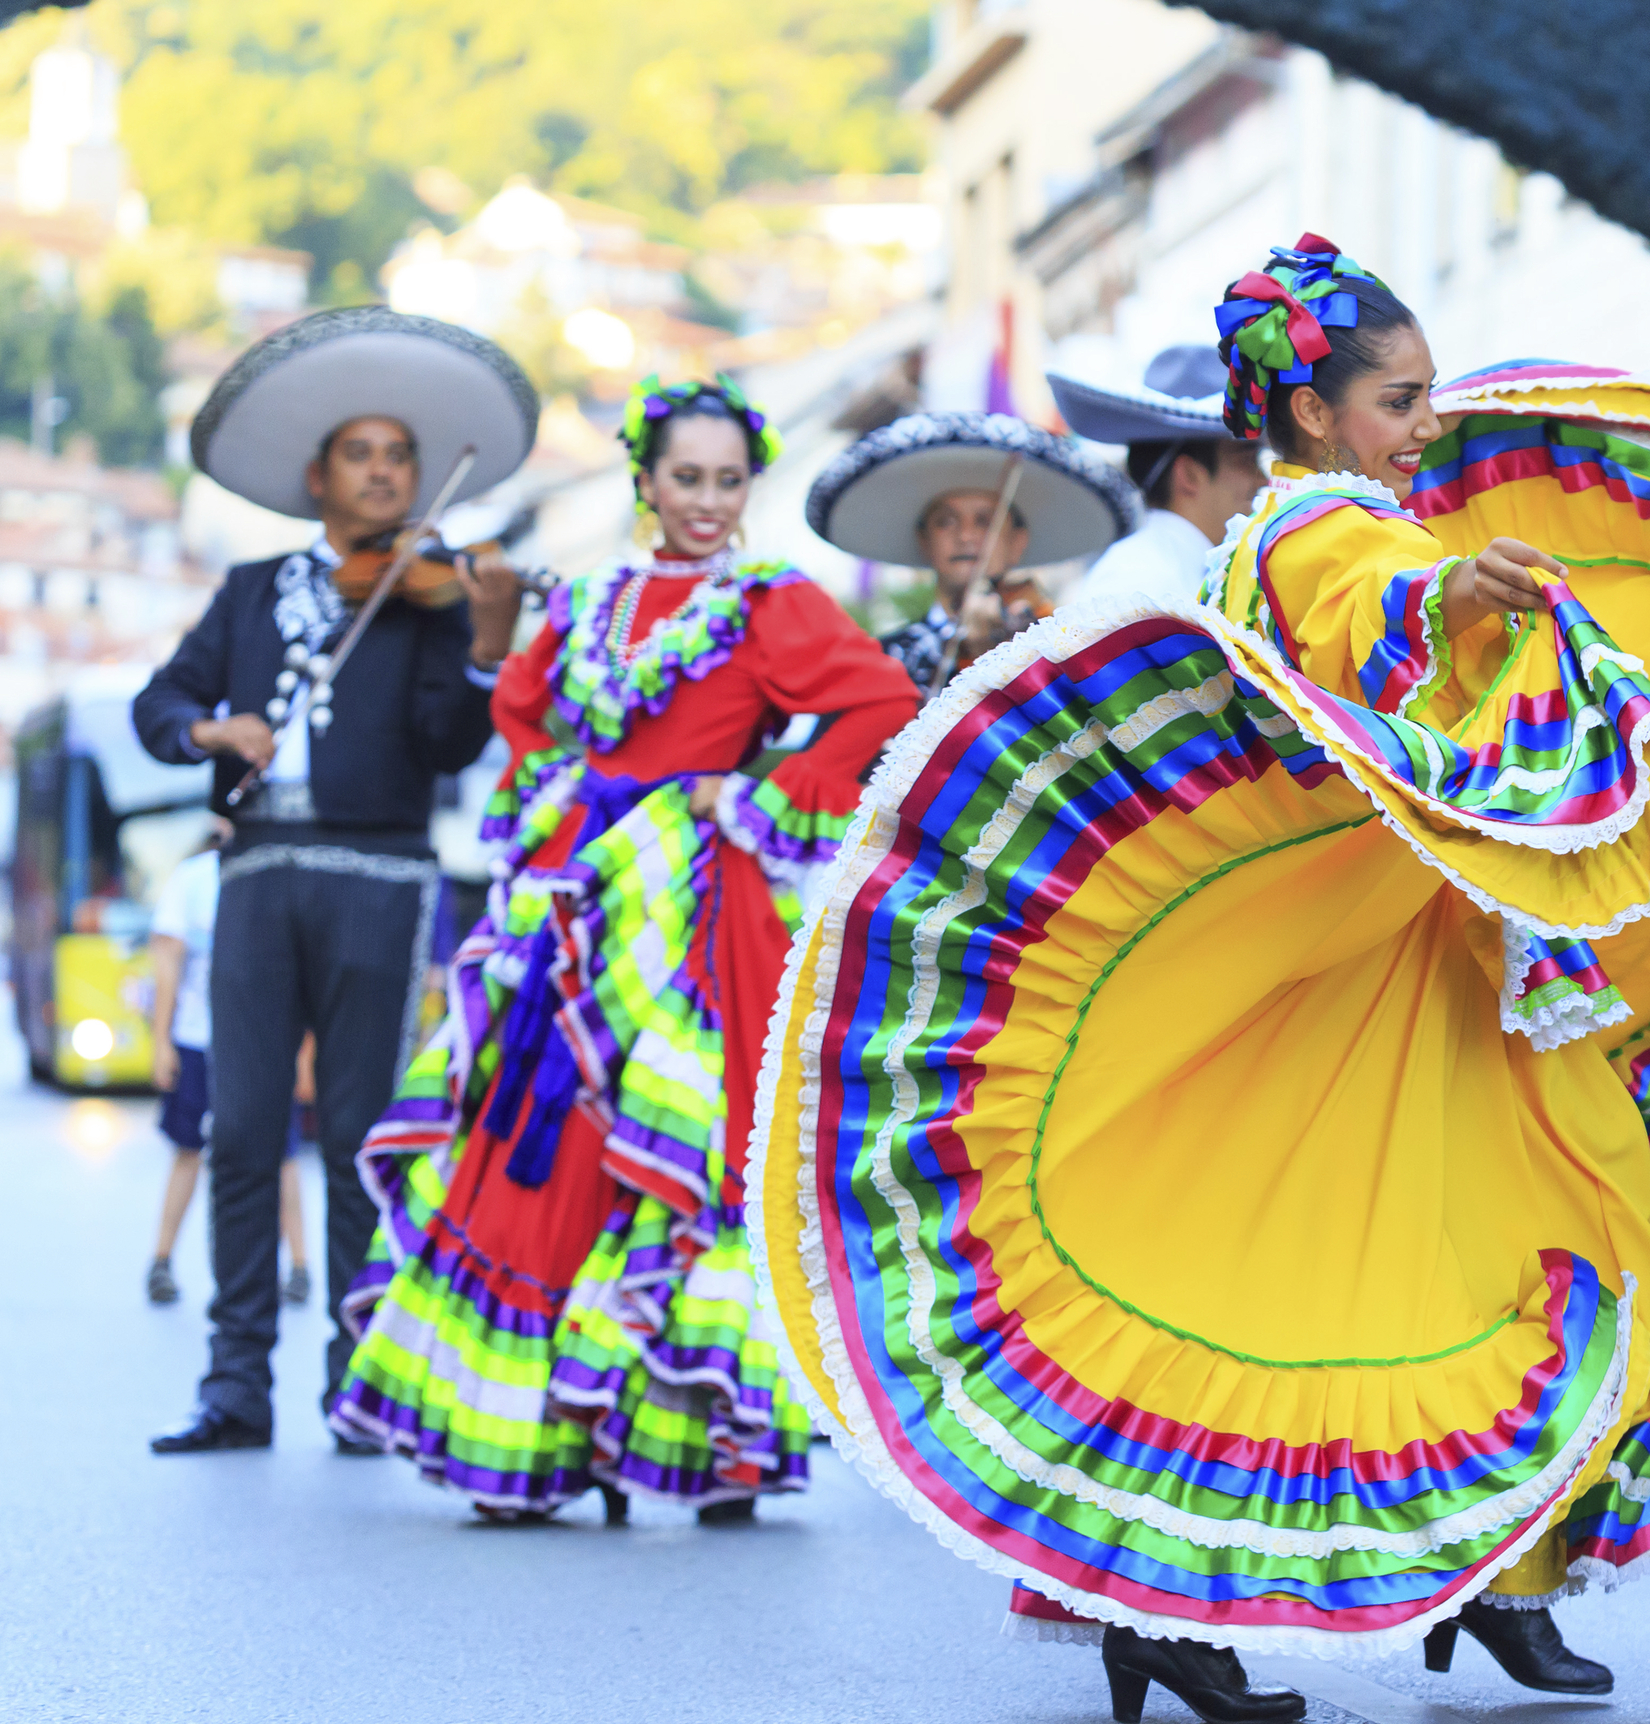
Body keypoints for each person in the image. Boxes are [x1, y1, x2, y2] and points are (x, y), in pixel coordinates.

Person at [759, 238, 1650, 1724]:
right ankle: (1194, 1606)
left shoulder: (1359, 512)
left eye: (1427, 395)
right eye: (1398, 398)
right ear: (1314, 413)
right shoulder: (1313, 527)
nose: (1426, 423)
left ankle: (1491, 1589)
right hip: (1381, 982)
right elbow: (1363, 618)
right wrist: (1458, 595)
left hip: (1443, 967)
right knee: (1393, 1262)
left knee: (1546, 1222)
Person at [326, 375, 920, 1523]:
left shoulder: (768, 599)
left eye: (729, 481)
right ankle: (541, 1436)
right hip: (576, 893)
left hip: (696, 902)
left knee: (679, 1143)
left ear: (751, 488)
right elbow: (524, 709)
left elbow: (878, 703)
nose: (707, 500)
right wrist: (561, 790)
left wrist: (750, 790)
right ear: (644, 480)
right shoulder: (589, 594)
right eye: (686, 478)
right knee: (542, 1130)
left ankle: (694, 1435)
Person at [133, 307, 536, 1455]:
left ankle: (362, 1379)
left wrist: (479, 644)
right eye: (360, 454)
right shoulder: (253, 591)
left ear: (418, 475)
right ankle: (235, 1382)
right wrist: (216, 730)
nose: (381, 473)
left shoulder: (436, 592)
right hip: (257, 869)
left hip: (383, 868)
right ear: (319, 476)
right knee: (242, 1126)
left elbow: (453, 745)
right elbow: (158, 705)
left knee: (360, 1131)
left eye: (397, 456)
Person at [817, 412, 1138, 694]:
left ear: (1018, 542)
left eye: (985, 521)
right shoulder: (884, 661)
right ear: (924, 541)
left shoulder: (1059, 647)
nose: (966, 535)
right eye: (945, 522)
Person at [145, 834, 312, 1309]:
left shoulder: (285, 871)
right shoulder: (194, 879)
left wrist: (302, 1054)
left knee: (281, 1156)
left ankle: (299, 1267)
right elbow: (167, 965)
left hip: (266, 1042)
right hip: (199, 1037)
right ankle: (161, 1260)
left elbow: (305, 976)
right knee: (188, 1151)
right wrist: (162, 1041)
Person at [1049, 344, 1268, 607]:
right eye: (1246, 461)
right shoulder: (1138, 580)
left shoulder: (1168, 568)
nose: (1264, 480)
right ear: (1189, 476)